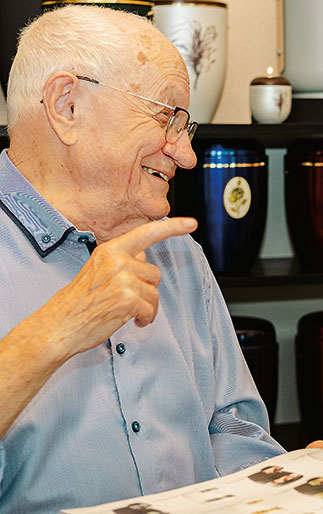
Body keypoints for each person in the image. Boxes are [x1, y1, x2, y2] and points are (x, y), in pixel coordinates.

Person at [0, 7, 285, 513]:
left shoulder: (178, 255)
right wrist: (60, 326)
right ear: (66, 106)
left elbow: (234, 432)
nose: (187, 155)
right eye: (166, 117)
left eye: (186, 126)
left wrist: (293, 480)